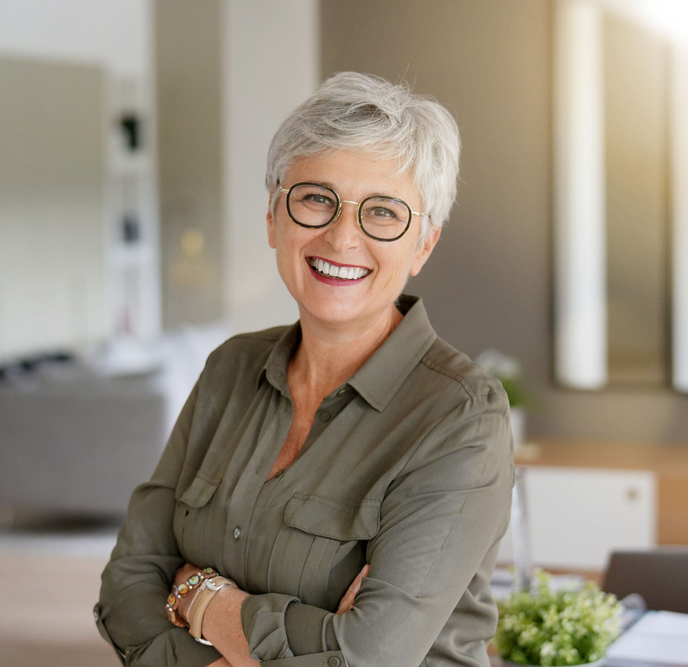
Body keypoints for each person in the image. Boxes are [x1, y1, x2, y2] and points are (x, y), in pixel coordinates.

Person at [96, 72, 514, 667]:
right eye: (317, 198)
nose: (343, 237)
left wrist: (200, 598)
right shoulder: (229, 369)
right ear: (274, 217)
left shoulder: (460, 415)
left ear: (423, 245)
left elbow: (370, 656)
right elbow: (128, 581)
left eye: (384, 212)